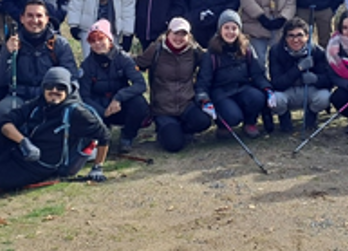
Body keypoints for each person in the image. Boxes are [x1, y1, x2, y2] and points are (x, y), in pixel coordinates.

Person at [0, 66, 110, 194]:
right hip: (19, 149)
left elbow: (104, 135)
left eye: (60, 87)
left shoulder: (77, 113)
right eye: (49, 86)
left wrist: (98, 167)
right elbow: (5, 120)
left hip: (37, 166)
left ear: (68, 90)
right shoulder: (39, 103)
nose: (54, 90)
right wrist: (23, 141)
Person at [135, 17, 212, 153]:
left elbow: (210, 59)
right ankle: (167, 131)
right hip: (163, 110)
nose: (179, 38)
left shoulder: (194, 50)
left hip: (187, 105)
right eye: (176, 33)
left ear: (189, 36)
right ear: (168, 33)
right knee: (174, 145)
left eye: (183, 34)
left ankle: (181, 129)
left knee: (204, 121)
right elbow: (137, 63)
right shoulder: (156, 49)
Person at [195, 10, 272, 138]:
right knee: (233, 117)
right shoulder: (211, 53)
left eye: (234, 28)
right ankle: (223, 125)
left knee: (258, 98)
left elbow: (257, 73)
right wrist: (204, 99)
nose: (230, 32)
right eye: (226, 28)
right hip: (221, 93)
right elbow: (203, 80)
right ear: (220, 29)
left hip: (242, 88)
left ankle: (250, 122)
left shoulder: (246, 48)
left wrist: (267, 88)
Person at [0, 0, 77, 110]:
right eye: (30, 16)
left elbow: (72, 77)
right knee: (1, 111)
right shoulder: (12, 42)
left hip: (51, 97)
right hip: (20, 98)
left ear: (47, 19)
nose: (35, 20)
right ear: (22, 19)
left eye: (39, 16)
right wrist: (7, 53)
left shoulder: (59, 44)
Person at [79, 20, 148, 154]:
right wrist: (102, 111)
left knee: (140, 104)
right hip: (99, 108)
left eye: (101, 39)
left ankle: (127, 136)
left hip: (121, 106)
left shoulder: (124, 59)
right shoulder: (86, 65)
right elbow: (84, 96)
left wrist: (118, 98)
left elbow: (140, 84)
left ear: (109, 39)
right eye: (92, 40)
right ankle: (101, 135)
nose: (97, 43)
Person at [268, 17, 333, 132]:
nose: (295, 40)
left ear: (307, 36)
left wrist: (316, 79)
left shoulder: (317, 52)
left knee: (325, 97)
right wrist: (298, 69)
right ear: (285, 37)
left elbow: (329, 80)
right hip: (287, 91)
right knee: (276, 100)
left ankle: (311, 114)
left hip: (309, 90)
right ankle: (284, 117)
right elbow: (277, 83)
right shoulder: (276, 51)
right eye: (291, 36)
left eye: (300, 35)